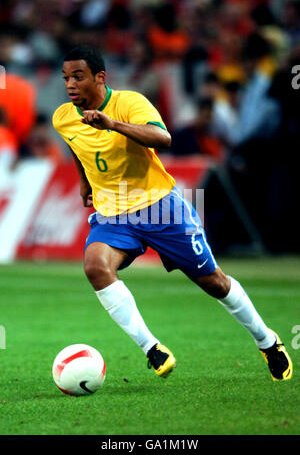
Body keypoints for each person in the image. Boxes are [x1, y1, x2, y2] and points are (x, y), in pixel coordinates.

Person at [52, 45, 292, 381]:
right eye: (66, 78)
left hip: (159, 207)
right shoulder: (64, 117)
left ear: (99, 77)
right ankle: (151, 348)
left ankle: (267, 341)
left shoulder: (130, 103)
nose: (70, 84)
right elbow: (76, 145)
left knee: (213, 282)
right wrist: (83, 180)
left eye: (78, 76)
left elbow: (162, 138)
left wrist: (113, 125)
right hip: (113, 213)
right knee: (95, 266)